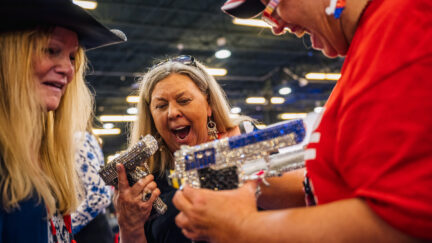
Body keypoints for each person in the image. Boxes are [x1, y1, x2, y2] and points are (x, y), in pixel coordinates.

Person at [172, 0, 432, 242]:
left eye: (273, 3)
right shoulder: (372, 42)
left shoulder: (406, 25)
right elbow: (340, 188)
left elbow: (402, 222)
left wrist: (241, 226)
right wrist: (239, 179)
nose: (276, 24)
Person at [0, 0, 125, 242]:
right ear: (11, 55)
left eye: (71, 57)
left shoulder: (47, 158)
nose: (68, 69)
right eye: (51, 50)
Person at [114, 55, 256, 243]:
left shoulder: (245, 138)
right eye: (161, 106)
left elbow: (299, 196)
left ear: (208, 105)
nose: (172, 113)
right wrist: (128, 224)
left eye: (184, 100)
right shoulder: (148, 182)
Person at [72, 131, 114, 243]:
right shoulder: (85, 138)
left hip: (90, 232)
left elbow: (100, 196)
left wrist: (69, 226)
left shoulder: (77, 139)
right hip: (94, 229)